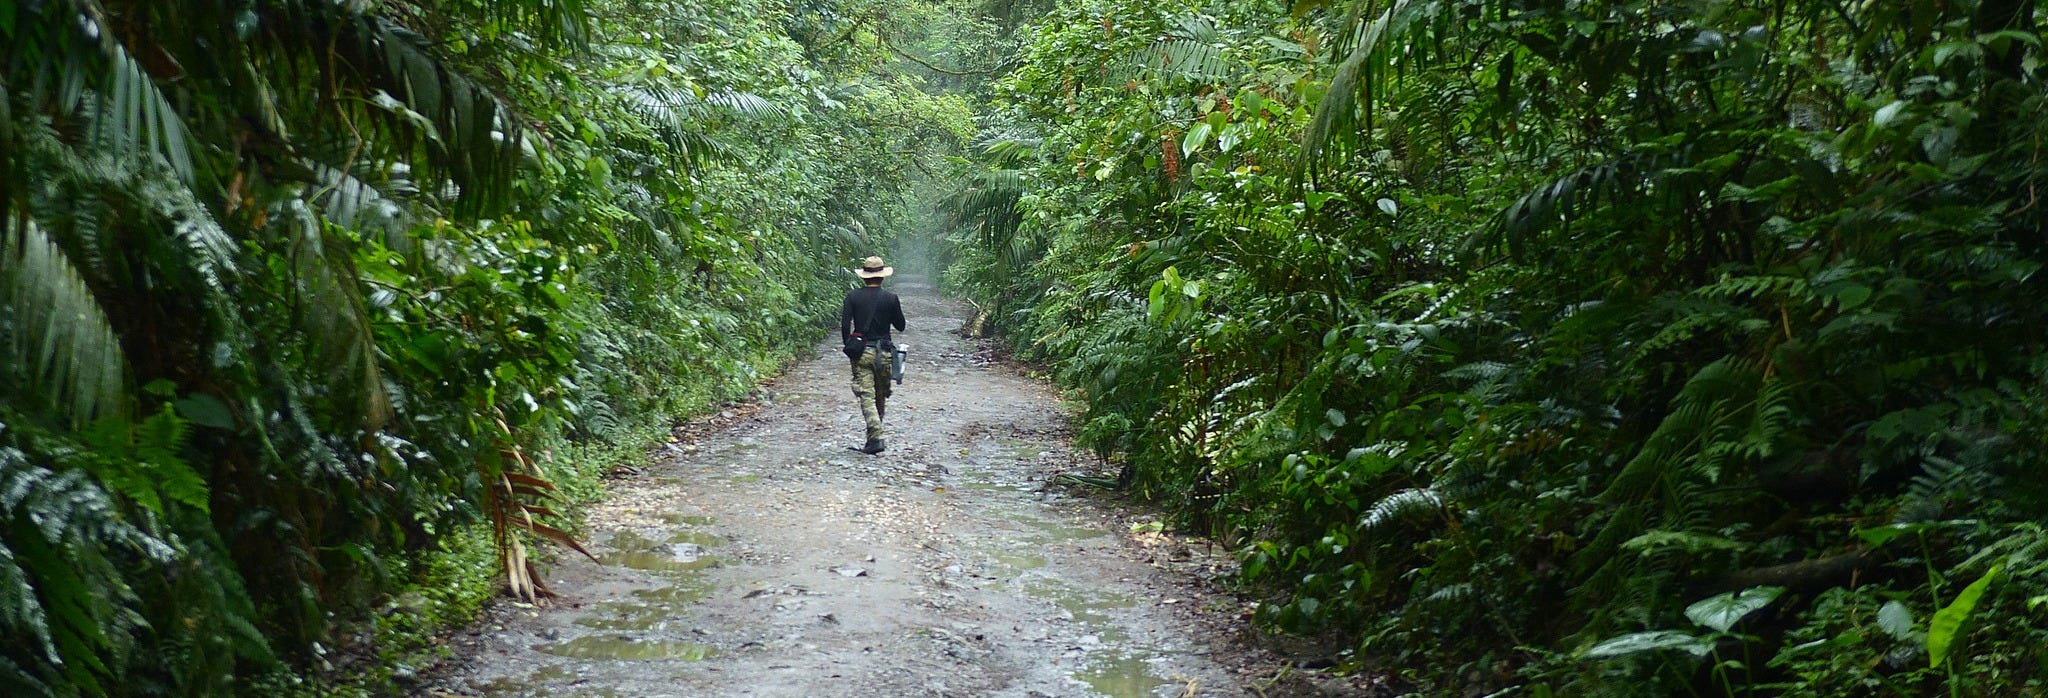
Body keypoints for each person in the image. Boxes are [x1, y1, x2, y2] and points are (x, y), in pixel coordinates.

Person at [841, 256, 906, 454]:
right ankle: (874, 439)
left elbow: (845, 326)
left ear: (864, 277)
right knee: (880, 395)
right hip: (884, 353)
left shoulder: (852, 297)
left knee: (866, 395)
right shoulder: (890, 298)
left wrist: (850, 347)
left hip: (862, 352)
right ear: (882, 276)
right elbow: (900, 326)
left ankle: (875, 436)